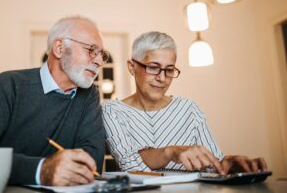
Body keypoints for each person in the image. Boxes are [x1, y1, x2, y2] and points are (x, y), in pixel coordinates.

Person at [0, 16, 109, 186]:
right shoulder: (9, 84)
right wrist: (41, 170)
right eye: (91, 50)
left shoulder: (89, 95)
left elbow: (92, 161)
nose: (99, 62)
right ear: (60, 48)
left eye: (101, 54)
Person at [103, 31, 268, 175]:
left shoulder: (189, 109)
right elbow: (130, 166)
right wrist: (170, 152)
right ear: (132, 67)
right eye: (153, 67)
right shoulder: (112, 111)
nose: (162, 78)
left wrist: (230, 163)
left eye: (169, 70)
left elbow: (212, 166)